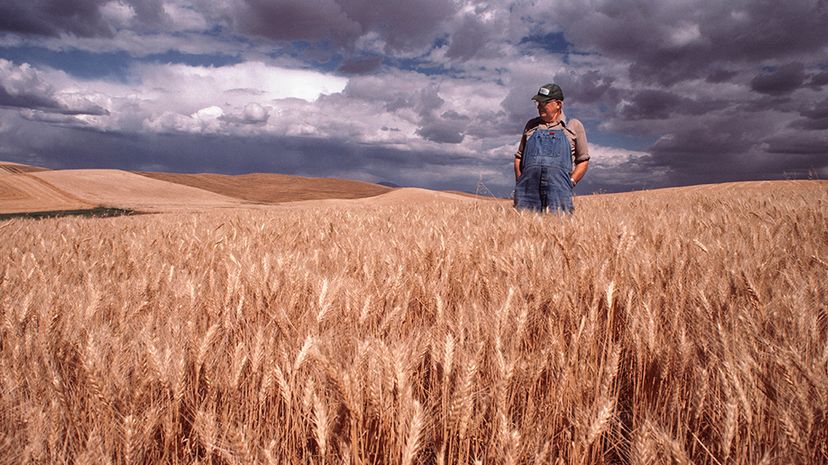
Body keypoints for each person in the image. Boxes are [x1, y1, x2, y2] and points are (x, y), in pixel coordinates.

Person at [513, 83, 589, 213]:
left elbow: (583, 160)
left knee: (559, 229)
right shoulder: (531, 125)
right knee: (523, 230)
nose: (539, 107)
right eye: (538, 103)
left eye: (544, 103)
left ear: (558, 104)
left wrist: (570, 182)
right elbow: (519, 157)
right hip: (527, 192)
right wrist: (521, 181)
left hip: (559, 192)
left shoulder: (573, 125)